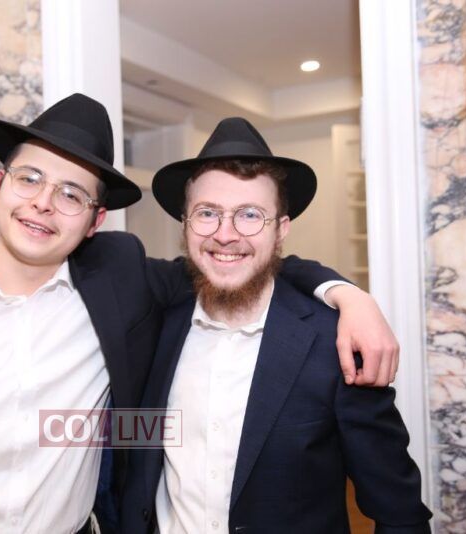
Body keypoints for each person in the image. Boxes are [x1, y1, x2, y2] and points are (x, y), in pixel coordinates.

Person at [0, 94, 401, 534]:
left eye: (72, 194)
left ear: (95, 221)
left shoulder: (120, 281)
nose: (43, 203)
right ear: (0, 183)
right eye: (30, 178)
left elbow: (239, 261)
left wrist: (348, 295)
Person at [120, 117, 432, 534]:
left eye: (250, 215)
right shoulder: (155, 322)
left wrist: (348, 294)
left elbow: (399, 512)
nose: (225, 234)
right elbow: (139, 446)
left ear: (281, 230)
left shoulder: (335, 344)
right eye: (207, 213)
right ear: (185, 223)